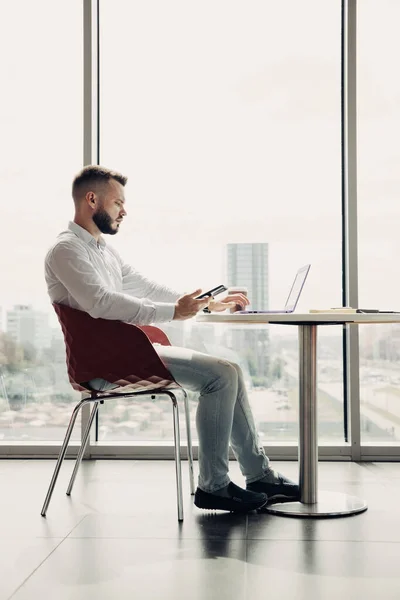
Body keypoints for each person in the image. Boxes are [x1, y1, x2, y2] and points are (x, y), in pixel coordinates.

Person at [45, 165, 299, 513]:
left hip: (128, 351)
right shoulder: (66, 250)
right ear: (92, 200)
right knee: (220, 375)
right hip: (103, 364)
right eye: (118, 202)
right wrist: (173, 313)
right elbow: (101, 304)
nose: (124, 211)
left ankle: (259, 476)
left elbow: (146, 287)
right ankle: (214, 486)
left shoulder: (103, 250)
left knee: (231, 370)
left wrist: (207, 303)